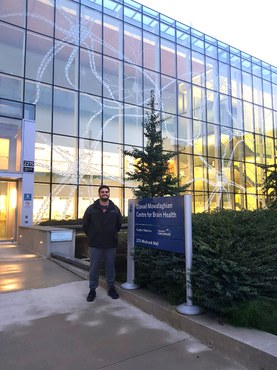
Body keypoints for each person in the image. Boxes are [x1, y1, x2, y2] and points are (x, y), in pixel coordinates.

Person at [82, 185, 122, 302]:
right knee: (94, 268)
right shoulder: (91, 209)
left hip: (110, 243)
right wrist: (93, 235)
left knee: (110, 266)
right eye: (103, 192)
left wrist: (112, 233)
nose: (105, 193)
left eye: (107, 192)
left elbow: (119, 224)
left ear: (109, 194)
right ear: (99, 194)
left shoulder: (114, 209)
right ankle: (92, 289)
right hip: (95, 243)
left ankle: (111, 288)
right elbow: (85, 224)